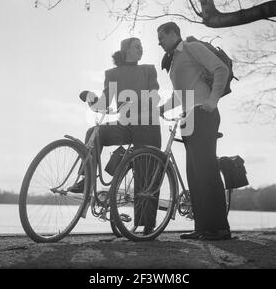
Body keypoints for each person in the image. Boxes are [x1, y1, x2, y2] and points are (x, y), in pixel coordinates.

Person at [69, 37, 161, 234]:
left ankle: (147, 226)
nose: (141, 49)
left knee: (146, 174)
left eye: (142, 47)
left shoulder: (148, 70)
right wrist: (90, 98)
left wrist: (140, 103)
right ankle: (87, 178)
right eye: (137, 46)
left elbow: (155, 95)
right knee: (94, 132)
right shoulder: (112, 74)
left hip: (148, 125)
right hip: (126, 125)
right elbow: (103, 104)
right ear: (126, 50)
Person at [157, 22, 231, 240]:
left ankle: (219, 229)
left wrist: (212, 101)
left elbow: (221, 69)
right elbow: (181, 94)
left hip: (203, 113)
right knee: (194, 174)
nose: (159, 42)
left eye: (161, 37)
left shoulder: (191, 47)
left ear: (173, 34)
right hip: (189, 117)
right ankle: (203, 227)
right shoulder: (176, 60)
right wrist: (162, 108)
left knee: (206, 170)